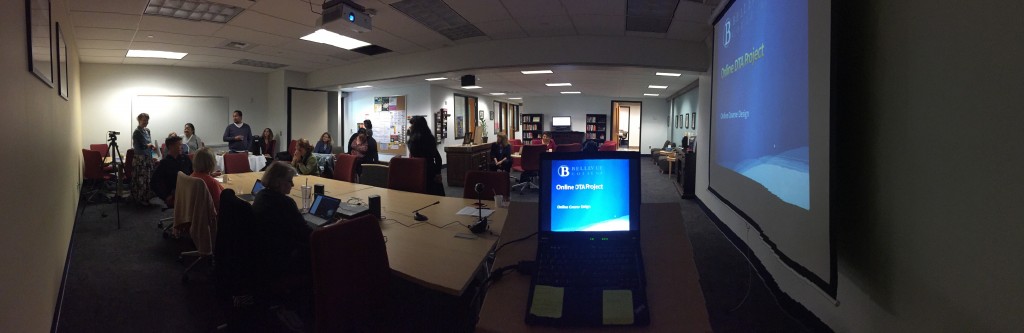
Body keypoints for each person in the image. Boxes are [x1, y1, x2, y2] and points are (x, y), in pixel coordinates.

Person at [251, 161, 312, 300]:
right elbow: (307, 235)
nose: (293, 185)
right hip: (278, 260)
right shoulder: (285, 203)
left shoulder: (261, 195)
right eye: (289, 181)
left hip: (262, 256)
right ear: (278, 182)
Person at [406, 116, 445, 196]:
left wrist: (410, 136)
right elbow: (438, 157)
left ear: (416, 126)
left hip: (419, 170)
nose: (410, 126)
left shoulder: (413, 141)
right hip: (431, 170)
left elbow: (414, 154)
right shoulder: (430, 138)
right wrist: (438, 173)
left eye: (412, 124)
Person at [151, 136, 193, 206]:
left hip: (188, 191)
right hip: (175, 194)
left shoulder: (185, 158)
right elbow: (154, 183)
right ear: (171, 146)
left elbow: (193, 173)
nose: (181, 147)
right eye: (179, 145)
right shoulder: (165, 163)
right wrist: (165, 196)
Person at [131, 113, 158, 206]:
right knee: (141, 179)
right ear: (139, 120)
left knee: (147, 179)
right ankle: (140, 199)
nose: (146, 122)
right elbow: (143, 146)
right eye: (144, 120)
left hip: (147, 157)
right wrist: (149, 145)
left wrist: (152, 148)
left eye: (147, 120)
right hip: (140, 159)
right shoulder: (137, 132)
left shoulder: (147, 131)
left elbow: (148, 144)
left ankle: (146, 197)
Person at [190, 147, 223, 212]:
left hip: (198, 214)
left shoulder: (192, 175)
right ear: (211, 162)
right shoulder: (211, 182)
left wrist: (210, 175)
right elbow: (220, 205)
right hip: (213, 217)